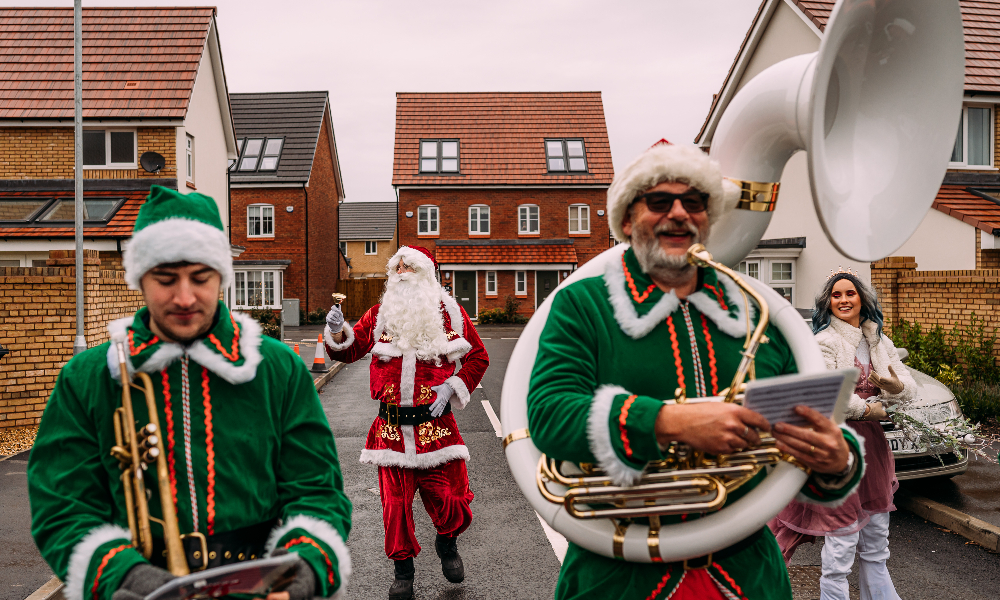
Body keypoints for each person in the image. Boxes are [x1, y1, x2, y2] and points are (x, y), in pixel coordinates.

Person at [527, 140, 867, 600]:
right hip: (619, 576)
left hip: (748, 576)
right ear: (627, 220)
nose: (680, 213)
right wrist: (670, 422)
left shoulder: (758, 312)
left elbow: (802, 418)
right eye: (660, 201)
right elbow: (549, 414)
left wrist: (836, 459)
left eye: (695, 202)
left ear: (708, 220)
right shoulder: (582, 304)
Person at [28, 186, 352, 600]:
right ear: (140, 278)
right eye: (165, 279)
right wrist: (127, 578)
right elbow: (63, 504)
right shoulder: (86, 377)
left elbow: (316, 489)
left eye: (200, 278)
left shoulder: (277, 367)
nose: (184, 297)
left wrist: (303, 569)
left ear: (221, 275)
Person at [324, 246, 488, 600]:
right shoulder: (380, 315)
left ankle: (447, 541)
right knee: (394, 507)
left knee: (453, 499)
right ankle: (403, 571)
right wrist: (337, 334)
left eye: (409, 265)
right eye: (396, 266)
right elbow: (349, 351)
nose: (401, 271)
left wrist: (453, 386)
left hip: (438, 430)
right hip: (391, 434)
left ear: (427, 273)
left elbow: (478, 357)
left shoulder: (451, 314)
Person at [769, 270, 914, 600]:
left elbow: (905, 384)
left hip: (873, 450)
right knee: (841, 543)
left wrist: (897, 388)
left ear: (862, 298)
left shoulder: (879, 341)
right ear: (828, 303)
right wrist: (865, 410)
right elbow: (825, 393)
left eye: (850, 293)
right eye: (837, 295)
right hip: (837, 448)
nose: (844, 300)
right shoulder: (823, 343)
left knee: (876, 542)